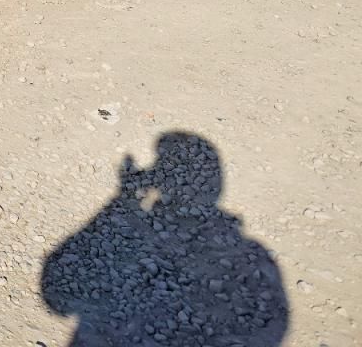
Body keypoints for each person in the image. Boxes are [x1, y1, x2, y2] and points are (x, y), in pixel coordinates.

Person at [41, 132, 287, 346]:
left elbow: (56, 300)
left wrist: (123, 199)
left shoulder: (250, 254)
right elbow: (274, 326)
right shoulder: (254, 255)